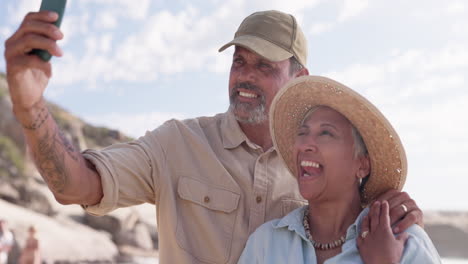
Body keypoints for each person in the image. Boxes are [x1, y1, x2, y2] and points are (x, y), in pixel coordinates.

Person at [4, 9, 424, 263]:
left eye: (264, 65)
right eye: (239, 61)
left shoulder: (324, 170)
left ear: (299, 78)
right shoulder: (176, 144)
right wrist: (29, 107)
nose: (244, 75)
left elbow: (380, 231)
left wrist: (404, 221)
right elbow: (74, 184)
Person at [238, 76, 441, 263]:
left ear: (362, 165)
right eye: (302, 132)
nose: (305, 144)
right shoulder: (266, 243)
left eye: (326, 133)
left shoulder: (406, 241)